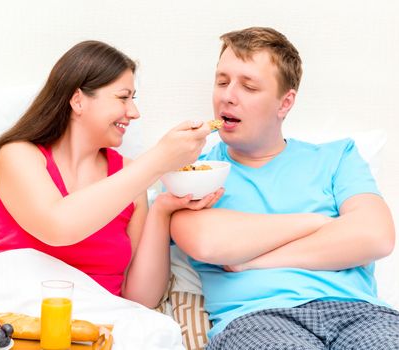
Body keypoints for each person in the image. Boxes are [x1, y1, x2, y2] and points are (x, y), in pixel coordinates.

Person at [0, 40, 223, 308]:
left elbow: (141, 299)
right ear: (78, 100)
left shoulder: (130, 176)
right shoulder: (18, 155)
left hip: (95, 326)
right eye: (123, 98)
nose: (134, 112)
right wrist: (157, 160)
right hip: (13, 312)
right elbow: (58, 226)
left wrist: (161, 211)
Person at [170, 27, 398, 349]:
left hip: (362, 314)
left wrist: (251, 260)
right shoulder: (196, 171)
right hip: (257, 319)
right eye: (222, 81)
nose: (227, 95)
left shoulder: (338, 157)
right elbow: (207, 243)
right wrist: (320, 223)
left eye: (248, 86)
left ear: (285, 103)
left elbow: (375, 236)